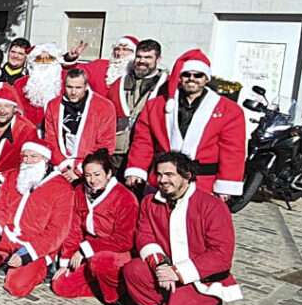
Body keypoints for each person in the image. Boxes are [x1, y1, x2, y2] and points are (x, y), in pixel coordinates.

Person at [121, 152, 242, 305]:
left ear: (187, 176)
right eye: (159, 175)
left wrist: (177, 272)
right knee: (134, 270)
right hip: (167, 267)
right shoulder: (149, 202)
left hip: (200, 277)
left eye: (169, 175)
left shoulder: (212, 206)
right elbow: (145, 236)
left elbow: (221, 255)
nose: (162, 180)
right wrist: (159, 265)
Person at [125, 49, 246, 200]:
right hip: (162, 181)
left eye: (198, 75)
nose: (192, 79)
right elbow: (143, 141)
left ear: (207, 78)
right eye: (186, 74)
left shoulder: (230, 110)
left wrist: (226, 185)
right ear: (179, 78)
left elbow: (233, 151)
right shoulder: (155, 106)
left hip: (203, 183)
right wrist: (137, 169)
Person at [0, 142, 75, 297]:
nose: (27, 161)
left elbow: (57, 232)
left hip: (35, 244)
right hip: (8, 236)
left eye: (33, 157)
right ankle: (5, 260)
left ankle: (39, 269)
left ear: (45, 160)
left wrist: (27, 254)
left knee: (16, 287)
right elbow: (0, 208)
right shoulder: (14, 176)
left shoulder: (62, 189)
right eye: (25, 156)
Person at [51, 149, 138, 305]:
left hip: (115, 252)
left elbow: (125, 240)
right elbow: (74, 228)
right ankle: (101, 286)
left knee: (100, 261)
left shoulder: (125, 198)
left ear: (108, 173)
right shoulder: (80, 191)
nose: (92, 180)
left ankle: (113, 295)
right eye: (88, 175)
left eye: (97, 174)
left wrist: (86, 250)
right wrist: (66, 260)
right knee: (60, 286)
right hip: (88, 250)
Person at [43, 68, 116, 180]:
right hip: (60, 167)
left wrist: (79, 168)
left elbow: (106, 144)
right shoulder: (53, 105)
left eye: (78, 88)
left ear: (86, 86)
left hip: (90, 169)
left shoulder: (104, 106)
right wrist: (64, 166)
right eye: (69, 87)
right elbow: (50, 139)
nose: (73, 92)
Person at [107, 39, 166, 170]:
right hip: (118, 152)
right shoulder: (120, 83)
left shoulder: (165, 85)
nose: (142, 61)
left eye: (148, 57)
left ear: (158, 59)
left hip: (149, 153)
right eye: (139, 57)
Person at [66, 35, 139, 94]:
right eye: (117, 49)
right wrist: (70, 58)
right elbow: (75, 71)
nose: (119, 53)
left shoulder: (140, 72)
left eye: (125, 49)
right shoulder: (99, 66)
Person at [13, 43, 65, 126]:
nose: (44, 62)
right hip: (28, 130)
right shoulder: (20, 84)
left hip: (56, 130)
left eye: (49, 59)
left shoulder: (64, 81)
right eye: (39, 59)